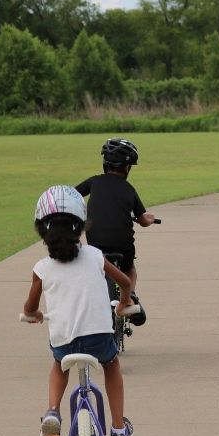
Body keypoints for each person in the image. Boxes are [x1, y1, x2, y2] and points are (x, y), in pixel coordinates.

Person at [21, 184, 135, 436]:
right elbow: (125, 282)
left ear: (42, 230)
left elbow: (30, 306)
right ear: (81, 226)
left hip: (64, 341)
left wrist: (33, 314)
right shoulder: (95, 256)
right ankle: (118, 429)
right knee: (112, 365)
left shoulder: (42, 268)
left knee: (59, 364)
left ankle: (52, 413)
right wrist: (125, 302)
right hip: (99, 338)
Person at [75, 137, 156, 325]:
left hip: (96, 241)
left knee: (98, 267)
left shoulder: (94, 182)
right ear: (127, 168)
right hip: (123, 243)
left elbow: (72, 194)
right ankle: (129, 298)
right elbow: (143, 220)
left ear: (105, 163)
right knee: (129, 268)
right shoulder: (129, 189)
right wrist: (150, 219)